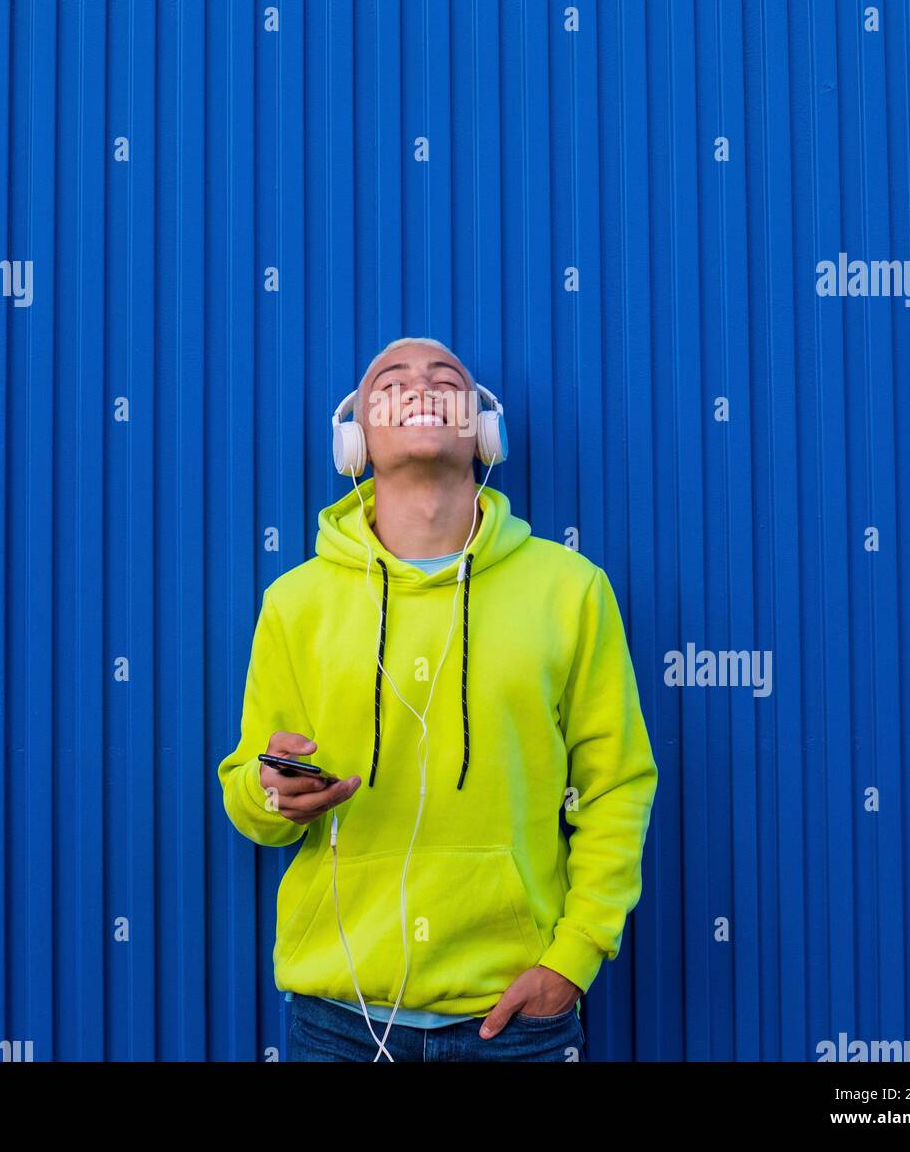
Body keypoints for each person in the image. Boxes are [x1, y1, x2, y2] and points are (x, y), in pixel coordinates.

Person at [217, 337, 657, 1062]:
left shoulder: (571, 589)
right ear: (354, 436)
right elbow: (249, 792)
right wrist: (272, 795)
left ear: (483, 431)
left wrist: (573, 958)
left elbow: (617, 786)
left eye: (446, 379)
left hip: (518, 1019)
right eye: (390, 382)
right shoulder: (295, 603)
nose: (420, 387)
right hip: (338, 1019)